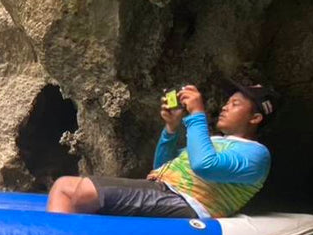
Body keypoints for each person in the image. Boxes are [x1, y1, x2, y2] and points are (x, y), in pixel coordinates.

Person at [46, 80, 276, 219]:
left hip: (190, 205)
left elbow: (204, 166)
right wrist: (171, 128)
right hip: (164, 190)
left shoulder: (257, 154)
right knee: (64, 185)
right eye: (228, 102)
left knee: (86, 190)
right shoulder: (216, 141)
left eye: (235, 104)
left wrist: (197, 114)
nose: (226, 107)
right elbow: (161, 167)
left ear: (255, 118)